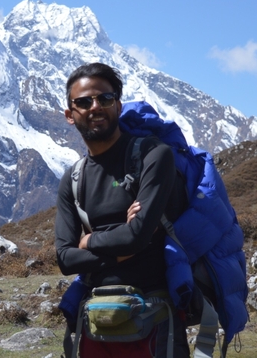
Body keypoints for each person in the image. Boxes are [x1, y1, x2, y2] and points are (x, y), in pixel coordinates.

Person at [55, 63, 190, 357]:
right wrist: (126, 241)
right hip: (96, 319)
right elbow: (65, 258)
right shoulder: (73, 178)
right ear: (69, 114)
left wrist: (89, 240)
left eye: (104, 98)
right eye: (83, 102)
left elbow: (137, 237)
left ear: (118, 104)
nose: (95, 106)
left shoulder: (153, 155)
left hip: (153, 316)